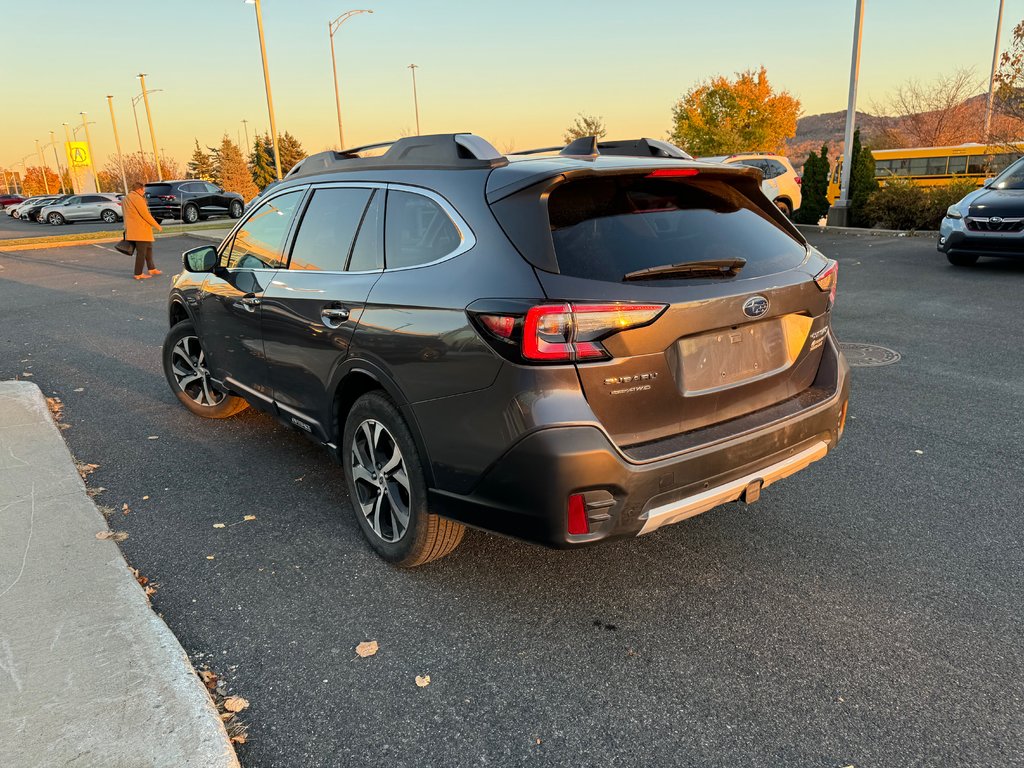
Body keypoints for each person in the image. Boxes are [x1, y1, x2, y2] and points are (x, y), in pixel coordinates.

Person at [122, 181, 163, 280]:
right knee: (142, 252)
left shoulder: (126, 198)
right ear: (139, 189)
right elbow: (145, 214)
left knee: (148, 249)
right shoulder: (137, 198)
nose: (144, 192)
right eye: (143, 190)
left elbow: (125, 214)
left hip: (134, 229)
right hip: (140, 230)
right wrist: (157, 225)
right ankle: (138, 273)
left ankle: (152, 268)